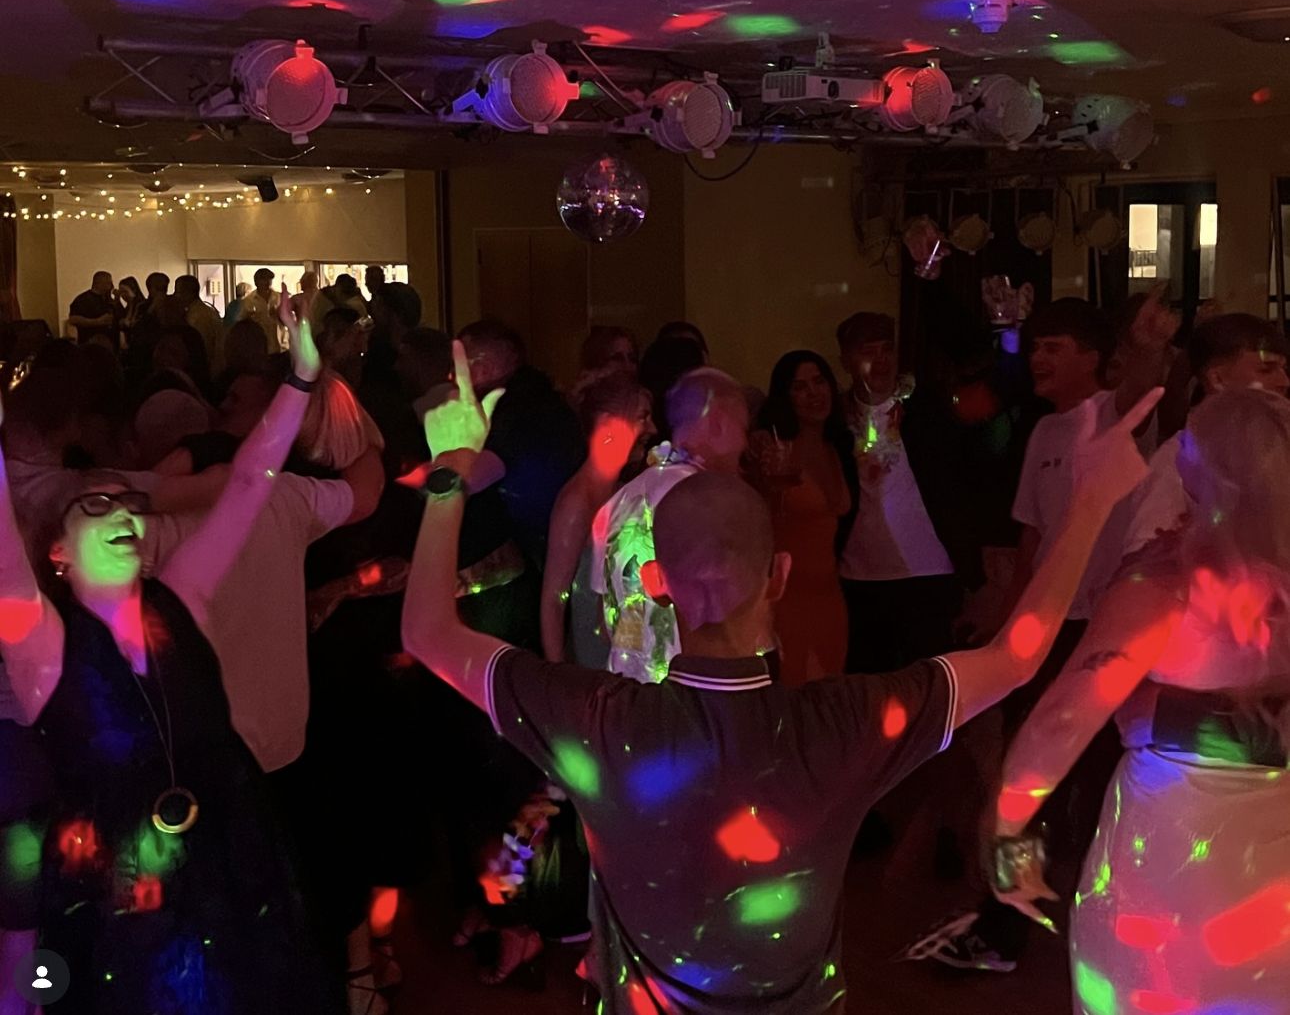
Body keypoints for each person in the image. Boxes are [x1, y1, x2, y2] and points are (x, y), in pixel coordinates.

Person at [399, 342, 1160, 1015]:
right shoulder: (848, 722)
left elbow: (428, 633)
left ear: (657, 581)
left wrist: (448, 479)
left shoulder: (597, 717)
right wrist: (1091, 504)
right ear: (780, 577)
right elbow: (1021, 654)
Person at [0, 292, 342, 1014]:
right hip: (115, 901)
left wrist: (302, 378)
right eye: (96, 506)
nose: (122, 512)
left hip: (223, 872)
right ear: (57, 553)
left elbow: (251, 482)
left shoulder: (177, 596)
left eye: (129, 505)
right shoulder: (45, 646)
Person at [991, 387, 1290, 1015]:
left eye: (1185, 439)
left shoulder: (1163, 585)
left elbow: (1062, 720)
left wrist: (1008, 843)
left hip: (1173, 859)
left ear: (1205, 468)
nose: (1174, 447)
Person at [909, 293, 1176, 973]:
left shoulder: (1116, 416)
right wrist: (1011, 617)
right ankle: (1004, 927)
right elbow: (1032, 535)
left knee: (1096, 791)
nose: (1036, 358)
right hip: (1052, 632)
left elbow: (1146, 388)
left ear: (1094, 358)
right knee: (1020, 788)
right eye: (1035, 347)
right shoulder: (1044, 434)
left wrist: (1142, 346)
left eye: (1053, 347)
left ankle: (1109, 931)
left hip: (1111, 632)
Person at [591, 367, 749, 684]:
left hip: (628, 688)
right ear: (720, 423)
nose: (746, 442)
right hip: (693, 689)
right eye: (743, 428)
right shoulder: (706, 499)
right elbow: (726, 613)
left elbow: (604, 614)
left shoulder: (619, 500)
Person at [833, 312, 961, 673]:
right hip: (859, 577)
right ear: (845, 360)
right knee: (868, 689)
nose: (881, 359)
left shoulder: (926, 409)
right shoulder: (835, 420)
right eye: (868, 350)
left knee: (933, 685)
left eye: (887, 348)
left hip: (928, 571)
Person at [1126, 313, 1289, 555]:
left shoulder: (1279, 446)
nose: (1284, 381)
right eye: (1267, 369)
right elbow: (1147, 556)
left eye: (1284, 369)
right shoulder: (1179, 460)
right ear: (1217, 378)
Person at [748, 352, 853, 686]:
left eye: (819, 381)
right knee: (793, 701)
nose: (813, 393)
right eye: (800, 387)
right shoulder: (773, 449)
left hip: (831, 598)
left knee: (829, 699)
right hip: (788, 599)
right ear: (785, 396)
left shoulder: (838, 446)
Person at [541, 370, 653, 667]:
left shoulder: (623, 492)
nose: (652, 428)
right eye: (642, 417)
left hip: (625, 654)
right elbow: (553, 600)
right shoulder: (577, 501)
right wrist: (560, 678)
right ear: (608, 423)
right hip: (593, 659)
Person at [458, 319, 585, 574]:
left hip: (526, 559)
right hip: (554, 545)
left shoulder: (512, 409)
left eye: (458, 364)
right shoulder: (542, 399)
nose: (452, 376)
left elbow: (470, 479)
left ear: (485, 367)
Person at [173, 274, 224, 376]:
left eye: (178, 292)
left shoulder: (199, 317)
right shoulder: (203, 311)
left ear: (188, 293)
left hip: (207, 372)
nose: (175, 295)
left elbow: (203, 349)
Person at [66, 272, 122, 348]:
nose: (112, 286)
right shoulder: (83, 299)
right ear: (99, 283)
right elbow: (73, 319)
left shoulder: (108, 300)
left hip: (111, 345)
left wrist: (117, 302)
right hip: (91, 345)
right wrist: (97, 322)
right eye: (109, 283)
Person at [240, 268, 282, 353]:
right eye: (264, 280)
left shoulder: (279, 297)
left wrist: (279, 314)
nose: (267, 283)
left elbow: (289, 319)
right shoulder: (249, 300)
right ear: (256, 282)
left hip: (280, 345)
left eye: (269, 280)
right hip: (258, 346)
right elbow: (243, 323)